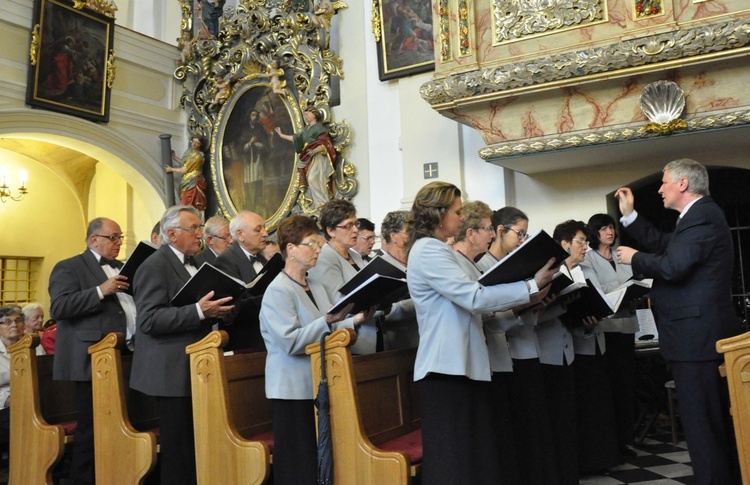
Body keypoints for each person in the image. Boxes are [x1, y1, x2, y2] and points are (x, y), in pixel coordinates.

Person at [405, 181, 555, 484]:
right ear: (438, 213)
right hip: (445, 368)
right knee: (454, 459)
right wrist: (529, 285)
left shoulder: (438, 250)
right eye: (457, 212)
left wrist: (526, 301)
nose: (462, 219)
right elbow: (473, 297)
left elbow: (478, 313)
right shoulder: (428, 251)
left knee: (470, 456)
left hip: (461, 365)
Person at [615, 159, 741, 484]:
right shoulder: (696, 218)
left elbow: (673, 266)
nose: (659, 189)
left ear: (683, 184)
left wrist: (634, 258)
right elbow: (663, 245)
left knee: (703, 428)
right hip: (694, 337)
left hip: (696, 339)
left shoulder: (702, 217)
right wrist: (629, 215)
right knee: (705, 426)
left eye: (664, 182)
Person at [259, 215, 373, 484]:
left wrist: (355, 320)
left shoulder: (317, 285)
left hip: (319, 385)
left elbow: (330, 324)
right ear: (291, 249)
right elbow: (291, 341)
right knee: (298, 462)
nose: (318, 250)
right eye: (311, 244)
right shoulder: (278, 290)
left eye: (319, 244)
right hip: (291, 390)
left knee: (319, 458)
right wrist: (330, 320)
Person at [130, 205, 234, 485]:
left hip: (197, 366)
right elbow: (149, 320)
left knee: (197, 443)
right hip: (170, 371)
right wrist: (199, 312)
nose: (200, 235)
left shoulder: (199, 263)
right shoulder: (153, 265)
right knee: (179, 448)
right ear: (172, 234)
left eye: (200, 228)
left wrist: (220, 309)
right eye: (194, 229)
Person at [49, 217, 135, 484]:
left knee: (123, 423)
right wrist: (100, 290)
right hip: (91, 358)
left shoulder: (123, 267)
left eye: (121, 238)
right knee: (92, 427)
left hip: (126, 354)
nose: (119, 243)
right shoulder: (69, 267)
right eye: (113, 238)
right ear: (93, 240)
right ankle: (82, 479)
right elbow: (59, 308)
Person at [477, 207, 559, 484]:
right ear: (500, 231)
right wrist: (526, 302)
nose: (522, 239)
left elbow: (519, 315)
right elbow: (492, 320)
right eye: (519, 233)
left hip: (525, 350)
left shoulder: (517, 263)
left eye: (526, 234)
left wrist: (538, 305)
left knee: (533, 424)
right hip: (503, 356)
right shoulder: (484, 266)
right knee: (515, 427)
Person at [451, 201, 522, 484]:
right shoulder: (456, 264)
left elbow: (488, 318)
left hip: (484, 356)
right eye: (487, 229)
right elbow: (475, 306)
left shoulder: (471, 265)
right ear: (470, 233)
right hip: (464, 360)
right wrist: (525, 292)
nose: (492, 235)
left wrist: (520, 307)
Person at [554, 220, 620, 475]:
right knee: (581, 407)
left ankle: (599, 460)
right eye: (580, 242)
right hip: (570, 348)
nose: (585, 247)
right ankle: (584, 462)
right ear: (564, 244)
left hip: (591, 340)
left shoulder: (583, 271)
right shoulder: (557, 273)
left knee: (597, 405)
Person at [580, 213, 639, 459]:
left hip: (627, 326)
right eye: (604, 228)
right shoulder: (589, 258)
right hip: (607, 329)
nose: (610, 232)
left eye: (612, 227)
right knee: (613, 385)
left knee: (628, 386)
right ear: (594, 233)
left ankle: (627, 439)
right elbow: (598, 290)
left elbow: (632, 279)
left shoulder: (620, 255)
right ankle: (615, 443)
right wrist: (624, 287)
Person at [307, 199, 377, 354]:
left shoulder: (354, 255)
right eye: (348, 226)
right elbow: (338, 302)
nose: (355, 230)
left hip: (367, 334)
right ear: (331, 231)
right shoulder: (324, 258)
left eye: (356, 224)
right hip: (347, 340)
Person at [214, 211, 269, 352]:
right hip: (247, 342)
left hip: (267, 337)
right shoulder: (226, 261)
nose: (265, 233)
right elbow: (234, 306)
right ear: (240, 235)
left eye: (264, 228)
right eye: (258, 229)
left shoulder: (263, 259)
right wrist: (273, 297)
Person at [0, 306, 44, 453]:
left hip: (35, 399)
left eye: (18, 320)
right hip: (5, 405)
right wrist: (8, 400)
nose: (14, 325)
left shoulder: (34, 345)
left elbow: (43, 374)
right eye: (7, 322)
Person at [275, 107, 336, 211]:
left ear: (314, 114)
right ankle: (318, 205)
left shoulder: (319, 128)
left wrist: (314, 151)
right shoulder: (305, 130)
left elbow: (325, 143)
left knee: (314, 178)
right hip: (307, 157)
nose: (306, 117)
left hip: (317, 157)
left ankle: (323, 202)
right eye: (305, 115)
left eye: (307, 114)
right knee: (310, 179)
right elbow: (295, 138)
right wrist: (281, 135)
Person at [379, 210, 418, 350]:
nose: (414, 236)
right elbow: (384, 312)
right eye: (409, 231)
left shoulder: (416, 262)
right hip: (397, 344)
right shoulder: (380, 268)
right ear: (394, 236)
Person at [166, 137, 207, 219]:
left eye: (197, 143)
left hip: (193, 182)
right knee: (184, 202)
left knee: (190, 202)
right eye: (193, 142)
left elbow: (185, 169)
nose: (194, 144)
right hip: (187, 181)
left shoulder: (198, 156)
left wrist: (171, 169)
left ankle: (190, 219)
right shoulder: (190, 153)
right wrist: (174, 157)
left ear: (200, 145)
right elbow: (184, 164)